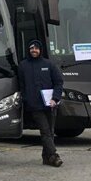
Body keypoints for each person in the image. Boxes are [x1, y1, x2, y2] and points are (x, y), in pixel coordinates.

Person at [18, 39, 64, 167]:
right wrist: (26, 99)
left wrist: (55, 98)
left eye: (36, 48)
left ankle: (46, 158)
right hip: (35, 106)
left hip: (50, 105)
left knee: (50, 131)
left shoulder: (49, 64)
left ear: (40, 50)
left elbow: (59, 82)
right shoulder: (23, 66)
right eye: (31, 48)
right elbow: (21, 85)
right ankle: (54, 155)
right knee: (45, 131)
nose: (34, 50)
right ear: (28, 50)